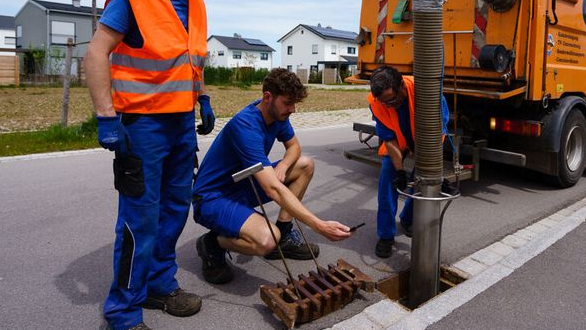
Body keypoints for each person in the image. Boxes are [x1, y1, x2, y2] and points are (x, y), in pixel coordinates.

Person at [84, 0, 221, 330]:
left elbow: (191, 61)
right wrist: (106, 115)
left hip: (180, 125)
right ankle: (123, 313)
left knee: (175, 210)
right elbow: (96, 52)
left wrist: (203, 98)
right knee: (139, 219)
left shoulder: (197, 5)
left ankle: (159, 284)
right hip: (142, 127)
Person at [192, 68, 351, 285]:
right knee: (267, 239)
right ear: (268, 97)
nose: (293, 109)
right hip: (213, 197)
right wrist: (319, 225)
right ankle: (212, 243)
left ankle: (284, 236)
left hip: (242, 184)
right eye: (288, 103)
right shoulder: (246, 126)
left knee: (305, 164)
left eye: (294, 103)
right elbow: (272, 189)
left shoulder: (277, 114)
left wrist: (283, 166)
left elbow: (294, 147)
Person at [367, 66, 449, 258]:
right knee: (387, 186)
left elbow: (438, 132)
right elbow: (389, 139)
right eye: (384, 102)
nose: (388, 106)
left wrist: (431, 167)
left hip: (425, 142)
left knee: (420, 181)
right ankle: (386, 235)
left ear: (402, 86)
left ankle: (407, 219)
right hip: (397, 142)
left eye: (392, 100)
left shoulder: (426, 92)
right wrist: (399, 171)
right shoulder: (377, 102)